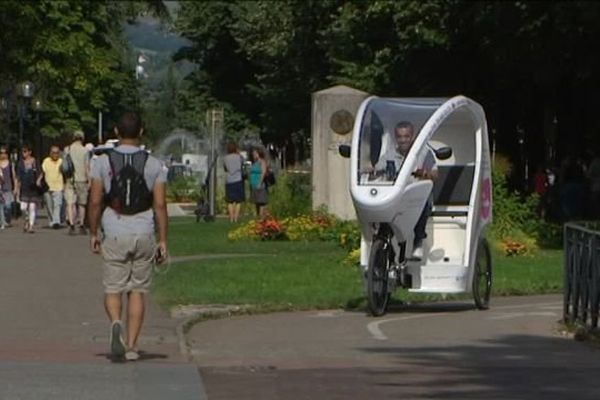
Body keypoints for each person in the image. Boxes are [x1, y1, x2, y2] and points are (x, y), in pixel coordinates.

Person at [89, 111, 168, 361]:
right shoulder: (154, 164)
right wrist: (163, 239)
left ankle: (115, 322)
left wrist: (93, 232)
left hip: (114, 228)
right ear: (142, 132)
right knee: (137, 290)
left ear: (116, 132)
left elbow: (95, 200)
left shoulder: (102, 162)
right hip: (143, 230)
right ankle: (133, 346)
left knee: (113, 287)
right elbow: (160, 205)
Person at [373, 121, 438, 259]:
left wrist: (425, 173)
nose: (403, 140)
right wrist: (371, 171)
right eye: (400, 137)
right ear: (396, 138)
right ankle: (383, 247)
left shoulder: (424, 153)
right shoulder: (389, 154)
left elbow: (435, 175)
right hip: (396, 197)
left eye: (406, 136)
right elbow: (378, 170)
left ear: (412, 136)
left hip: (416, 197)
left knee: (423, 201)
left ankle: (418, 241)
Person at [64, 130, 90, 235]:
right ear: (82, 138)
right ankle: (82, 224)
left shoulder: (67, 149)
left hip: (69, 179)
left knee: (70, 203)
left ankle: (71, 224)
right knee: (81, 203)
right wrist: (90, 181)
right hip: (82, 179)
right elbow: (87, 167)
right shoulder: (85, 151)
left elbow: (64, 165)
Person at [15, 144, 43, 233]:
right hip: (24, 187)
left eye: (25, 151)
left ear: (30, 152)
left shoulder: (35, 161)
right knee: (23, 208)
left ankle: (31, 226)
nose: (24, 153)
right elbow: (18, 177)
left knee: (32, 207)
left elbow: (41, 173)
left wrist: (38, 180)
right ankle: (26, 219)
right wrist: (16, 188)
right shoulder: (20, 163)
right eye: (23, 151)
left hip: (33, 187)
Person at [41, 145, 65, 229]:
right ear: (50, 153)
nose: (55, 154)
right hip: (48, 187)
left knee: (57, 205)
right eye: (54, 153)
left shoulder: (61, 162)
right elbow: (42, 172)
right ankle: (51, 221)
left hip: (59, 186)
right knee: (49, 206)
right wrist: (39, 180)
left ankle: (56, 222)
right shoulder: (46, 161)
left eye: (57, 153)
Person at [223, 142, 245, 223]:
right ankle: (236, 218)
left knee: (230, 201)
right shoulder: (239, 157)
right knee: (238, 201)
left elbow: (225, 168)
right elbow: (242, 164)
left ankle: (231, 218)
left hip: (229, 180)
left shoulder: (225, 158)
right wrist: (238, 153)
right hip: (238, 179)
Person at [0, 145, 16, 229]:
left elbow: (13, 176)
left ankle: (8, 219)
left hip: (8, 186)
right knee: (1, 206)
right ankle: (3, 221)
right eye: (1, 153)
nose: (3, 155)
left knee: (8, 205)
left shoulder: (10, 164)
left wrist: (15, 187)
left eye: (4, 153)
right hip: (0, 187)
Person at [249, 147, 269, 218]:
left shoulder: (262, 162)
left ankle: (261, 217)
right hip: (253, 185)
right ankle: (258, 217)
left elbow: (263, 173)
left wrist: (259, 183)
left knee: (261, 202)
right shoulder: (254, 162)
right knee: (256, 202)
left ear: (259, 154)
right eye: (253, 153)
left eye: (255, 153)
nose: (253, 155)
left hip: (259, 185)